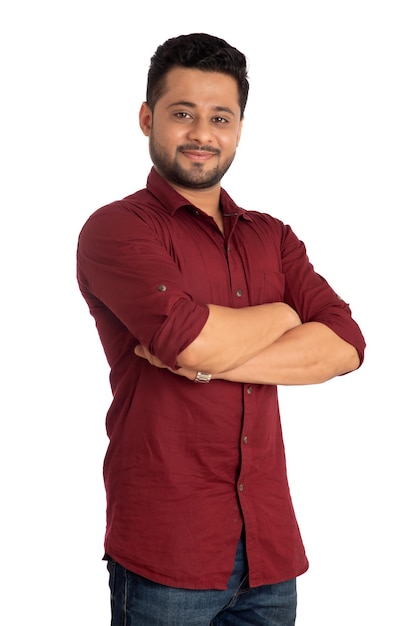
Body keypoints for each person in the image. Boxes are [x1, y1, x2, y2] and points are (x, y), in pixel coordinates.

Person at [76, 33, 366, 626]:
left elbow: (344, 346)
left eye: (220, 117)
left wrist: (202, 360)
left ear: (238, 127)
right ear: (147, 117)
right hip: (166, 553)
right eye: (183, 114)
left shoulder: (273, 237)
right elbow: (189, 339)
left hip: (270, 553)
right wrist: (285, 317)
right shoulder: (115, 229)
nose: (202, 134)